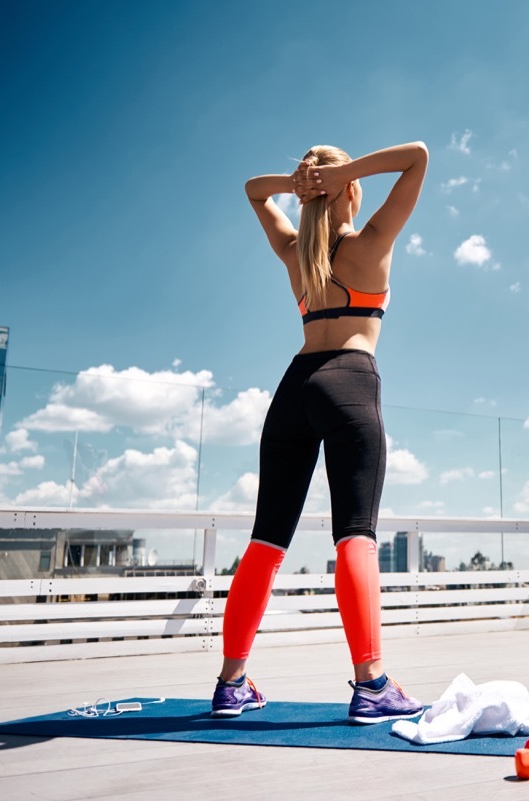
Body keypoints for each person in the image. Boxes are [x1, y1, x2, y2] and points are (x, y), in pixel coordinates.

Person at [211, 141, 429, 723]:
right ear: (350, 188)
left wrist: (297, 181)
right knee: (354, 535)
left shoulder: (295, 254)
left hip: (294, 387)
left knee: (266, 541)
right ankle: (371, 683)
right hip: (350, 381)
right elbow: (418, 157)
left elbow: (254, 190)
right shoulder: (371, 243)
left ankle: (231, 683)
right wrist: (343, 173)